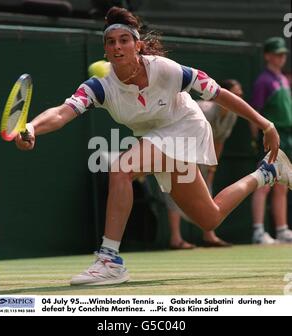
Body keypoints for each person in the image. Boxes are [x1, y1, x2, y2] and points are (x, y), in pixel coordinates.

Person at [15, 7, 291, 286]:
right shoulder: (100, 87)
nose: (118, 46)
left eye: (124, 40)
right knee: (210, 219)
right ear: (106, 52)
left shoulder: (166, 70)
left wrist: (265, 124)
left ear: (138, 45)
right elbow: (62, 112)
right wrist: (32, 128)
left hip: (186, 126)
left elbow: (218, 94)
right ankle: (267, 173)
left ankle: (109, 260)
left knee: (121, 168)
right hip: (156, 138)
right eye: (111, 42)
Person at [167, 79, 243, 249]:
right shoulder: (205, 111)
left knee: (207, 191)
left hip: (200, 152)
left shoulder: (232, 114)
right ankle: (175, 238)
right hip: (179, 147)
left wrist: (212, 167)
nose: (239, 96)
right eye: (235, 93)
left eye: (240, 94)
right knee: (174, 191)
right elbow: (185, 132)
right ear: (225, 94)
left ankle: (209, 234)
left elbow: (219, 141)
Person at [250, 37, 292, 245]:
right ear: (267, 56)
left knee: (282, 183)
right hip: (271, 137)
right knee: (264, 183)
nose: (281, 57)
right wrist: (257, 138)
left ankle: (282, 230)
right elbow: (255, 113)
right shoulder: (263, 81)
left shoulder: (283, 78)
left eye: (283, 54)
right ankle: (258, 231)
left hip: (287, 137)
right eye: (277, 54)